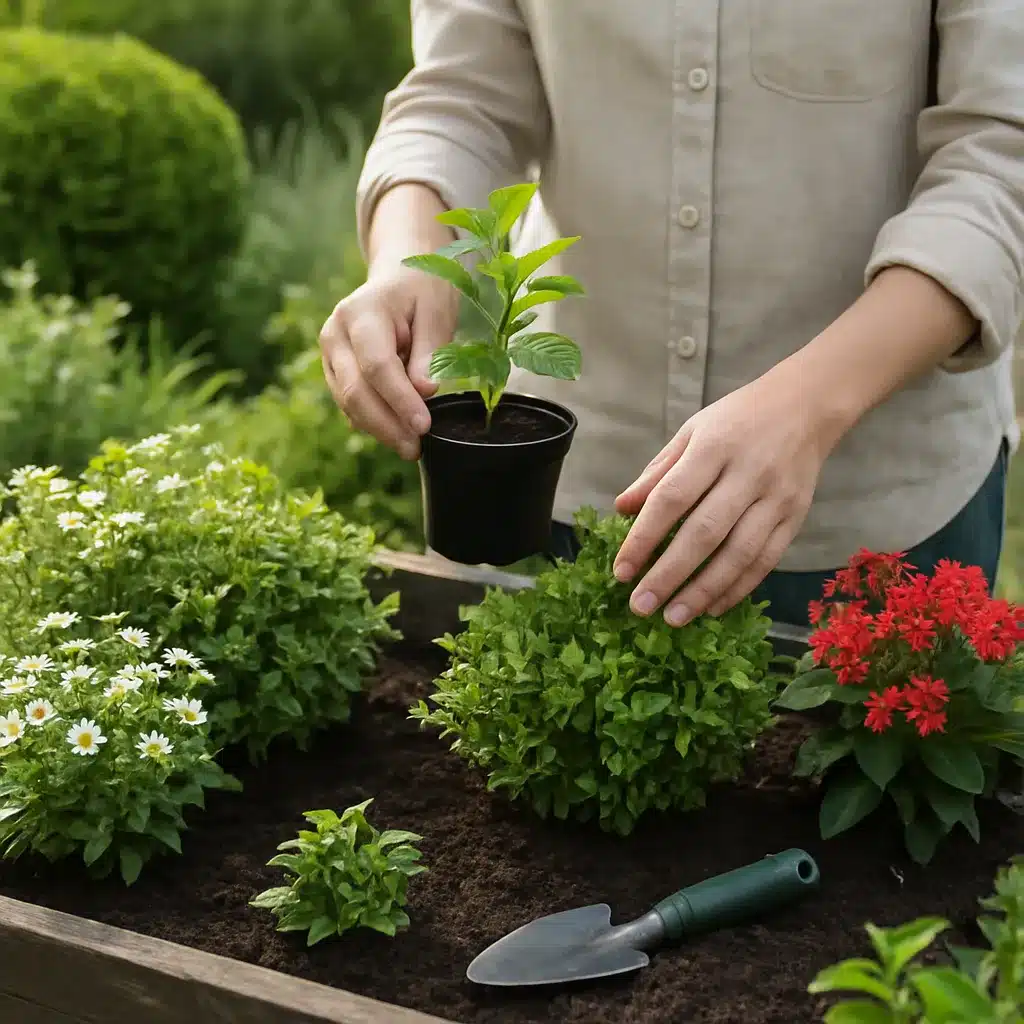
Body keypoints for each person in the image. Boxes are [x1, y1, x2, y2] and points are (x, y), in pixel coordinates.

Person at [318, 0, 1024, 628]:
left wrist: (808, 408)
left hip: (875, 502)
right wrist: (408, 260)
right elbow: (460, 96)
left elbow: (1000, 160)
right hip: (571, 480)